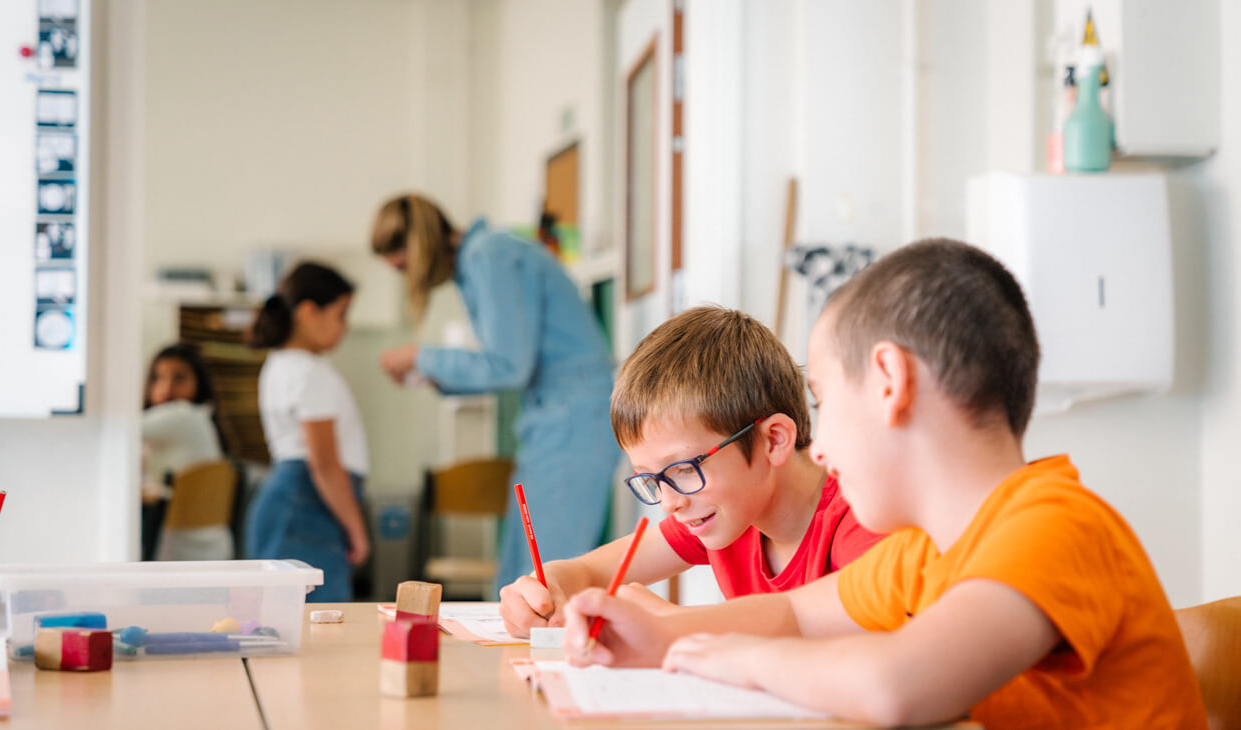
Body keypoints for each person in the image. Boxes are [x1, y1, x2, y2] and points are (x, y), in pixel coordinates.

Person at [560, 239, 1207, 728]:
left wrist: (735, 659)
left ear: (890, 382)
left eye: (823, 397)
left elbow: (896, 683)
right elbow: (790, 612)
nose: (824, 442)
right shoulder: (922, 554)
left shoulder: (1055, 525)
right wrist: (665, 639)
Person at [500, 306, 880, 637]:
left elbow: (861, 639)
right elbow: (585, 572)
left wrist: (674, 624)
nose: (669, 503)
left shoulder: (863, 517)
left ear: (774, 441)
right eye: (650, 479)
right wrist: (546, 587)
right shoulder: (728, 507)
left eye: (682, 469)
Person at [371, 192, 620, 593]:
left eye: (403, 267)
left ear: (419, 249)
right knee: (519, 581)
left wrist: (423, 356)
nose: (407, 278)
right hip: (551, 423)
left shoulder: (489, 256)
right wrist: (434, 374)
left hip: (572, 425)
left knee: (546, 583)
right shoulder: (481, 261)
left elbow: (507, 366)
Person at [245, 263, 370, 602]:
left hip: (293, 504)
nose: (345, 327)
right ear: (308, 312)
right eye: (341, 314)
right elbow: (325, 463)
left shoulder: (281, 365)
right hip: (306, 508)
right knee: (319, 624)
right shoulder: (310, 373)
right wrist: (357, 529)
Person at [141, 344, 228, 560]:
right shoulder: (202, 419)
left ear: (199, 383)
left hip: (178, 550)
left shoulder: (183, 415)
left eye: (179, 378)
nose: (166, 388)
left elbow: (116, 429)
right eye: (157, 378)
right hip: (214, 547)